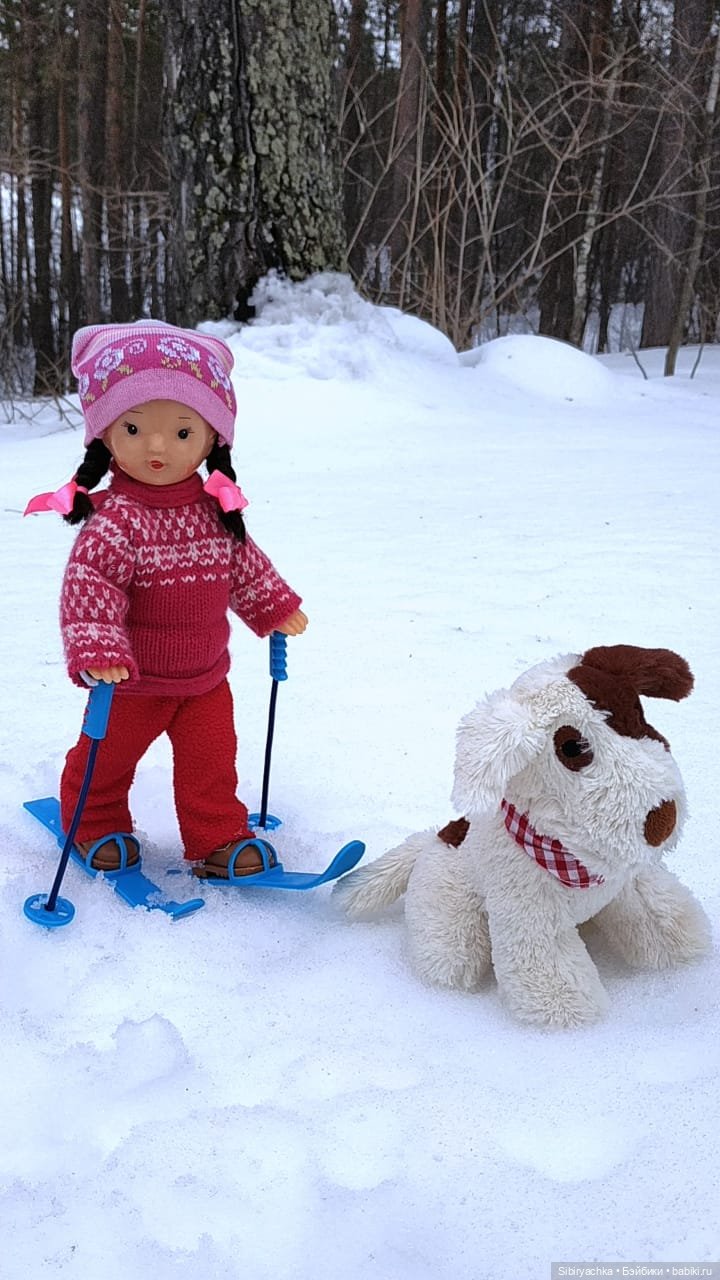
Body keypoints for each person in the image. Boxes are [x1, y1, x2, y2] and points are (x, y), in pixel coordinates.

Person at [25, 321, 307, 880]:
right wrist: (99, 648)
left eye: (181, 433)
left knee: (210, 766)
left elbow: (244, 565)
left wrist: (273, 607)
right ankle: (94, 821)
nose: (157, 446)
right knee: (106, 760)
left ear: (211, 440)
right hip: (132, 684)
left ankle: (218, 839)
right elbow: (90, 589)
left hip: (206, 681)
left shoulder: (213, 512)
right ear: (106, 436)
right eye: (134, 428)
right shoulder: (116, 522)